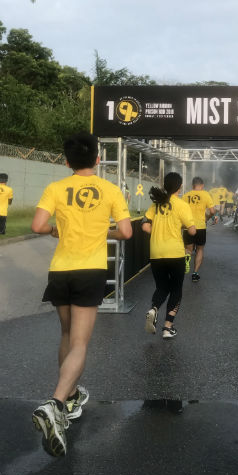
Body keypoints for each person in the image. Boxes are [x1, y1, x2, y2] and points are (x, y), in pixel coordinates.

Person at [31, 132, 132, 457]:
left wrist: (55, 229)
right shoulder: (110, 189)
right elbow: (126, 232)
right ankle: (56, 403)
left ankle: (72, 396)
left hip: (60, 270)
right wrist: (103, 230)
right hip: (90, 271)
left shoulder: (56, 188)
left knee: (66, 335)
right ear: (98, 160)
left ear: (66, 161)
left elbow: (37, 226)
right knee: (80, 343)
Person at [143, 173, 195, 336]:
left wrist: (158, 231)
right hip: (175, 253)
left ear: (165, 185)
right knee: (176, 289)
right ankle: (167, 327)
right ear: (180, 187)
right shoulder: (181, 205)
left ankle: (154, 308)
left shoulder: (156, 204)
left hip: (156, 252)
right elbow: (192, 230)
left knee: (162, 287)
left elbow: (145, 226)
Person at [182, 177, 217, 282]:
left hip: (188, 226)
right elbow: (212, 211)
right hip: (201, 227)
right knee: (200, 249)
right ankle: (195, 273)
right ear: (202, 185)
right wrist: (208, 217)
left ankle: (187, 258)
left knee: (188, 249)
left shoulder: (185, 195)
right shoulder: (206, 194)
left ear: (192, 185)